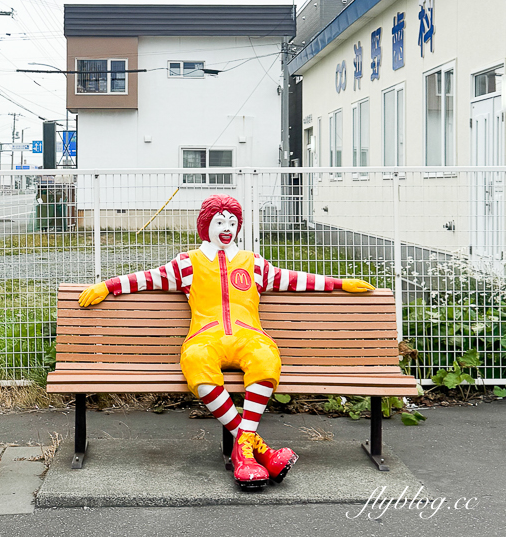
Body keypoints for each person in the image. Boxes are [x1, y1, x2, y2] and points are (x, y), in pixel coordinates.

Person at [79, 194, 375, 489]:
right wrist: (109, 285)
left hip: (249, 336)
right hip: (206, 338)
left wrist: (339, 284)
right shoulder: (188, 264)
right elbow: (148, 278)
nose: (226, 227)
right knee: (195, 360)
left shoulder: (253, 263)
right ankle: (256, 449)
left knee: (266, 359)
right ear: (206, 225)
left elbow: (294, 279)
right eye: (220, 221)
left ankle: (243, 453)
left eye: (232, 222)